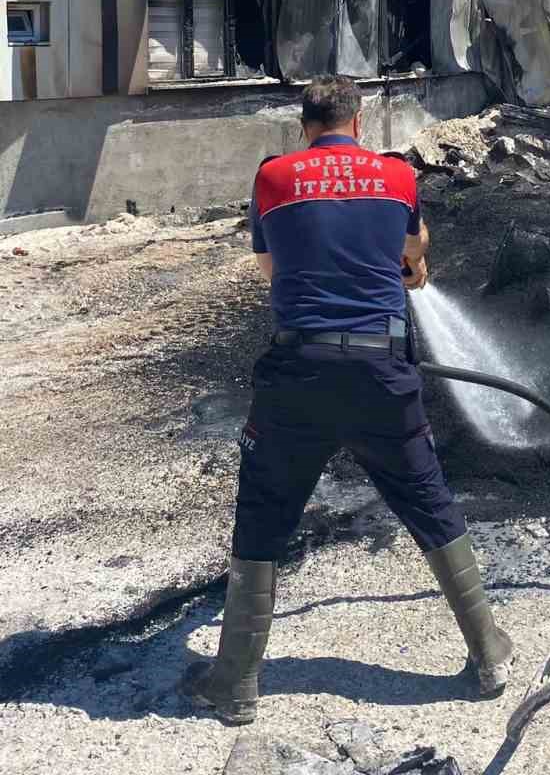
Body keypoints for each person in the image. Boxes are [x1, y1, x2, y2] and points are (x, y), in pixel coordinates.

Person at [185, 75, 512, 725]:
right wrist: (406, 265)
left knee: (264, 513)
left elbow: (272, 271)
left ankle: (236, 686)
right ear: (358, 122)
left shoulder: (273, 178)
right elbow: (413, 253)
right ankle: (488, 654)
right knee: (427, 500)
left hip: (298, 372)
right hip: (381, 373)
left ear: (304, 124)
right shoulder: (396, 176)